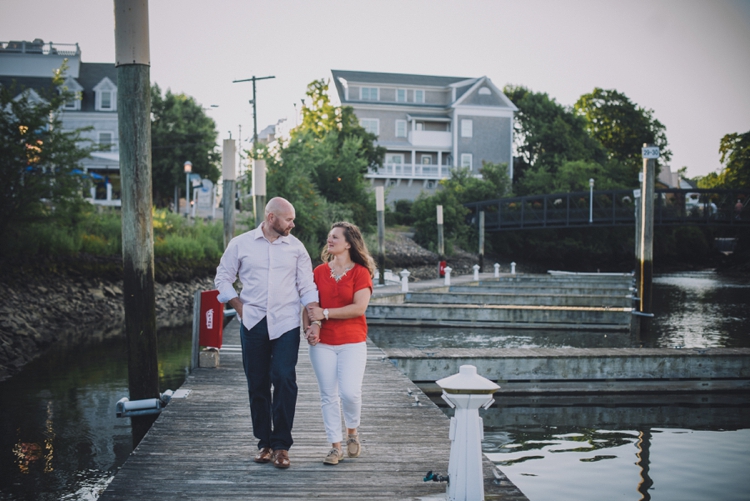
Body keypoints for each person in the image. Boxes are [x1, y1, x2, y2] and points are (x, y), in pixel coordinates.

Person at [214, 197, 320, 469]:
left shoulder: (296, 248)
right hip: (253, 322)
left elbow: (307, 287)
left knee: (284, 378)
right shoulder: (241, 243)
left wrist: (313, 319)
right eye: (288, 219)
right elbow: (222, 277)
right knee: (257, 383)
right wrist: (237, 305)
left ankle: (282, 446)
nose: (292, 224)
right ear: (271, 217)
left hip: (286, 322)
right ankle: (265, 443)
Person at [305, 222, 374, 465]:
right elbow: (309, 303)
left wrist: (324, 314)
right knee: (328, 395)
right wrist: (309, 327)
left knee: (350, 392)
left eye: (335, 237)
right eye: (329, 237)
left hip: (352, 342)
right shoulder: (319, 272)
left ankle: (352, 432)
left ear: (348, 243)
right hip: (323, 343)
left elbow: (359, 308)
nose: (329, 240)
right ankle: (335, 447)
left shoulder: (360, 273)